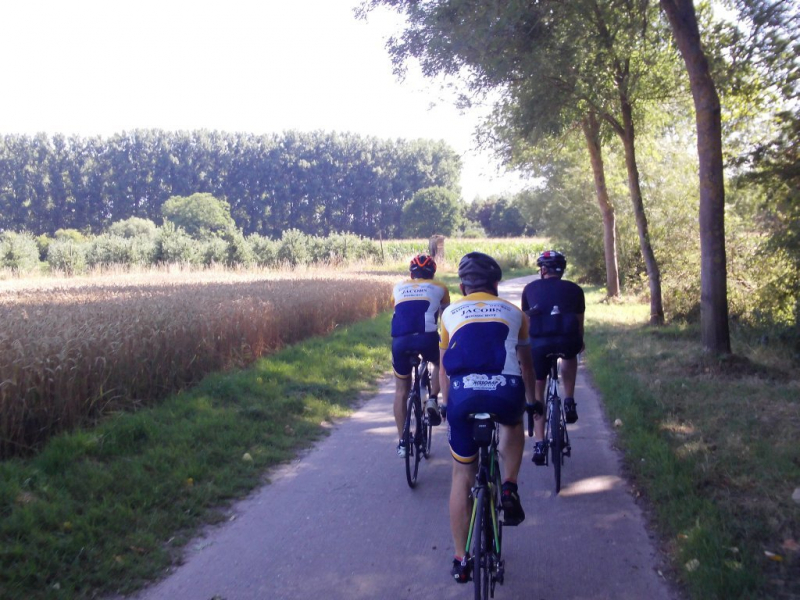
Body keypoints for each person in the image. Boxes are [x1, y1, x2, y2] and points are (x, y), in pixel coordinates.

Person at [439, 252, 536, 583]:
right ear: (496, 285)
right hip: (504, 389)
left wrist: (447, 405)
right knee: (512, 422)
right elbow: (526, 364)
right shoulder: (515, 313)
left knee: (461, 476)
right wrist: (532, 402)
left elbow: (443, 368)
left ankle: (460, 558)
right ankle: (509, 485)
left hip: (463, 394)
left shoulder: (450, 313)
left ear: (463, 286)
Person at [521, 250, 585, 466]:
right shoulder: (575, 290)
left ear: (543, 269)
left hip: (539, 345)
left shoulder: (530, 289)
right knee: (570, 353)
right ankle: (568, 399)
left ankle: (539, 443)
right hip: (568, 340)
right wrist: (579, 342)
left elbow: (525, 324)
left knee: (538, 386)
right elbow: (579, 324)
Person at [391, 254, 450, 458]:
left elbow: (399, 311)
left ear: (411, 273)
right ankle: (433, 398)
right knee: (442, 364)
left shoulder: (398, 287)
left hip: (400, 341)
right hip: (427, 338)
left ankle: (402, 441)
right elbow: (447, 318)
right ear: (432, 274)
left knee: (401, 391)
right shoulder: (440, 287)